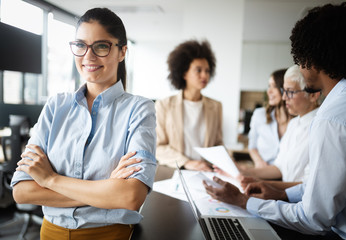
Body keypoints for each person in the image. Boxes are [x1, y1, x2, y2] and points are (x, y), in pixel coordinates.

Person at [203, 2, 346, 239]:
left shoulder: (332, 118)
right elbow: (324, 187)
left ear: (312, 60)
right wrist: (281, 194)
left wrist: (244, 201)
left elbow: (313, 219)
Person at [11, 8, 156, 240]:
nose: (88, 57)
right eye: (80, 45)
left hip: (109, 235)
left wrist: (50, 180)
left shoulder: (139, 109)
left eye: (101, 46)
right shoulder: (55, 106)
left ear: (122, 52)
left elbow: (130, 197)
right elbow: (22, 191)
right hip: (50, 233)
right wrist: (107, 189)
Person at [237, 65, 320, 185]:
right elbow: (279, 168)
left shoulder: (320, 127)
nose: (284, 97)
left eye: (290, 92)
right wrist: (244, 171)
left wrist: (269, 188)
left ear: (313, 95)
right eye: (284, 91)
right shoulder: (293, 124)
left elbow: (309, 185)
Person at [155, 40, 223, 171]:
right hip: (176, 171)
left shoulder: (216, 107)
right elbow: (158, 147)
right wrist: (187, 162)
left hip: (206, 172)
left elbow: (218, 144)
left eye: (207, 71)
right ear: (184, 73)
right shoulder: (164, 105)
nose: (205, 75)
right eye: (198, 70)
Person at [247, 69, 292, 168]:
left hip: (287, 176)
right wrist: (259, 163)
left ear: (285, 89)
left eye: (274, 86)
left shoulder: (296, 121)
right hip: (263, 172)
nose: (269, 91)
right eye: (269, 86)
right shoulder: (259, 115)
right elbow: (252, 147)